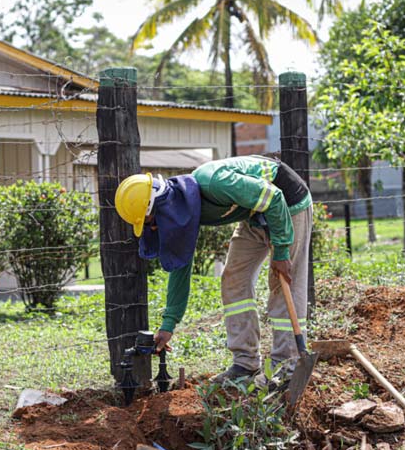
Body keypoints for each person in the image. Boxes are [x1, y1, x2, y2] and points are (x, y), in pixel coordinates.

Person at [114, 155, 312, 386]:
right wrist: (168, 325)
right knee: (233, 279)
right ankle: (245, 364)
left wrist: (281, 250)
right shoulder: (182, 212)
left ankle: (286, 367)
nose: (154, 228)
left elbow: (274, 197)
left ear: (159, 206)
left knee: (282, 283)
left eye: (149, 221)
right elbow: (181, 266)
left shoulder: (213, 182)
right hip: (255, 215)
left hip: (287, 204)